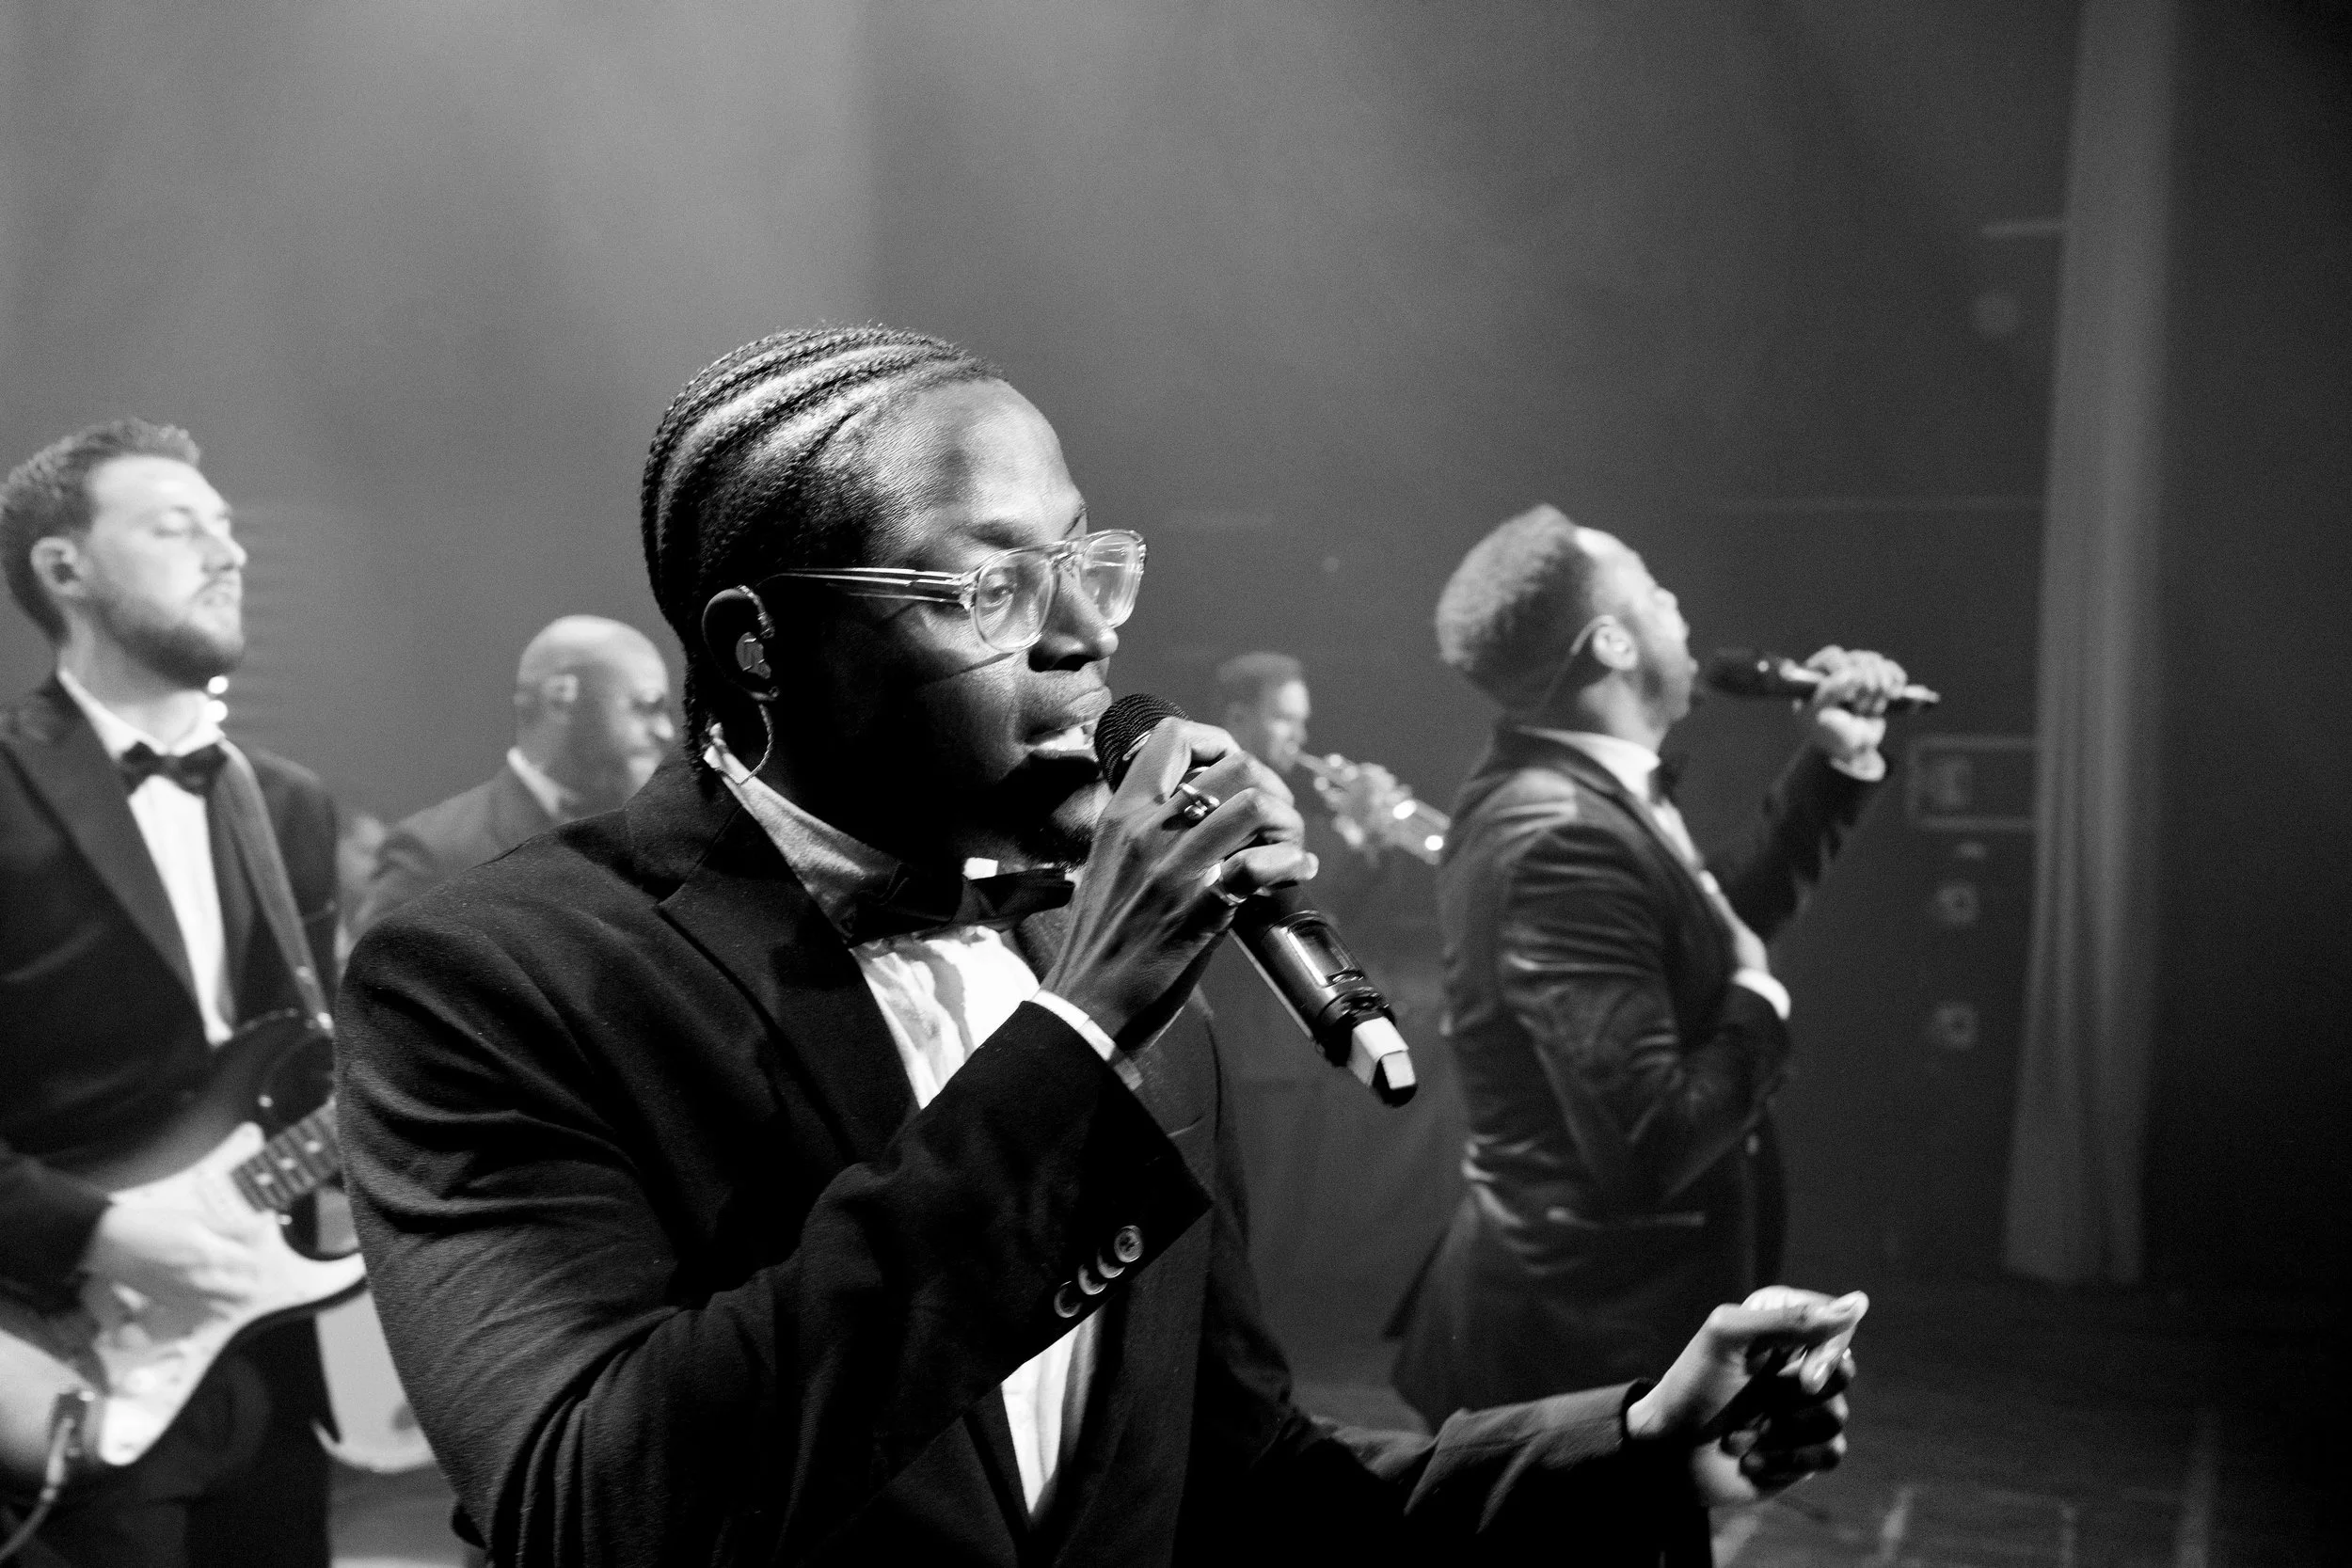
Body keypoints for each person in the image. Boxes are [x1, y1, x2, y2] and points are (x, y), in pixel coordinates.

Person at [337, 327, 1863, 1568]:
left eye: (1087, 562)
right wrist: (1074, 1040)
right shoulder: (490, 976)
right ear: (759, 648)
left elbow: (1242, 1485)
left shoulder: (1120, 983)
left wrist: (1635, 1445)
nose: (1087, 632)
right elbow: (599, 1512)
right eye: (992, 585)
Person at [1391, 504, 1906, 1425]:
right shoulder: (1557, 835)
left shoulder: (1582, 794)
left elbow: (1699, 933)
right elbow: (1654, 1139)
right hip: (1570, 1367)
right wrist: (1758, 997)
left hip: (1589, 1339)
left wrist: (1837, 760)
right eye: (1651, 587)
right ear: (1611, 642)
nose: (1676, 603)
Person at [0, 420, 339, 1568]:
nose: (227, 551)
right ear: (65, 567)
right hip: (59, 1348)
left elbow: (314, 1077)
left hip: (265, 1352)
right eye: (175, 526)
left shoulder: (288, 805)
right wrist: (97, 1229)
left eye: (227, 526)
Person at [1205, 653, 1457, 1335]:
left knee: (1291, 1211)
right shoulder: (1220, 789)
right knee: (1263, 1211)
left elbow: (1334, 915)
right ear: (1239, 717)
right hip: (1255, 1041)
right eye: (1284, 719)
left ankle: (1274, 1334)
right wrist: (1350, 830)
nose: (1299, 736)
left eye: (1302, 720)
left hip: (1297, 1039)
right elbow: (1274, 892)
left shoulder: (1289, 799)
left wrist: (1372, 840)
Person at [351, 614, 674, 935]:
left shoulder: (662, 836)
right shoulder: (434, 853)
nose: (666, 731)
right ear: (560, 700)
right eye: (646, 706)